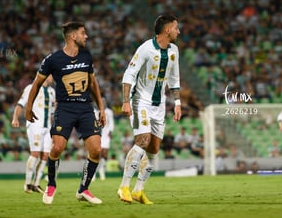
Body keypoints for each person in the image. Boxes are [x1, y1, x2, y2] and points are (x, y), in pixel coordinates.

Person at [25, 21, 106, 205]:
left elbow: (93, 83)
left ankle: (83, 189)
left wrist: (101, 108)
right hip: (65, 108)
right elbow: (36, 83)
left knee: (96, 150)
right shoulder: (53, 60)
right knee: (57, 148)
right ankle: (51, 184)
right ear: (73, 36)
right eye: (83, 33)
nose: (86, 36)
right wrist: (28, 107)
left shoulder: (86, 55)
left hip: (85, 108)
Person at [117, 14, 182, 204]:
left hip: (159, 105)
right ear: (167, 30)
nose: (179, 31)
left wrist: (177, 103)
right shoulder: (146, 49)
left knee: (154, 150)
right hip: (140, 102)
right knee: (143, 140)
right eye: (176, 27)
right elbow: (129, 74)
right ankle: (123, 187)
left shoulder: (174, 51)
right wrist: (126, 101)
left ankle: (138, 191)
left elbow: (174, 79)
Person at [12, 75, 55, 194]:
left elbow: (52, 111)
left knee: (45, 156)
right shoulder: (31, 87)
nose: (53, 77)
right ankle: (27, 183)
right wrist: (15, 118)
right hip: (35, 125)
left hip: (47, 127)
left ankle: (36, 184)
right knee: (35, 154)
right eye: (51, 74)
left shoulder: (52, 92)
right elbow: (21, 104)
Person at [94, 98, 115, 181]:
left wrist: (111, 131)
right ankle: (93, 172)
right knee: (96, 153)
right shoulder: (94, 111)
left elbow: (111, 122)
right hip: (97, 134)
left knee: (104, 153)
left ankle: (101, 169)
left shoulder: (109, 112)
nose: (102, 103)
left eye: (104, 101)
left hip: (106, 134)